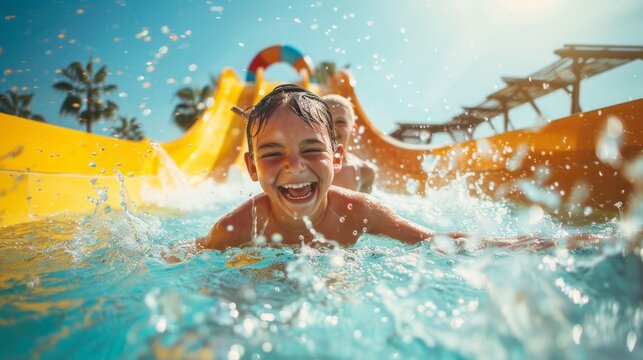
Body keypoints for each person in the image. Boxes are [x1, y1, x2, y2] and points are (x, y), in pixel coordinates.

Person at [185, 84, 572, 255]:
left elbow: (434, 240)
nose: (293, 166)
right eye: (272, 153)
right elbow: (185, 257)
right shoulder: (238, 226)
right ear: (251, 168)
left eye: (311, 149)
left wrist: (525, 243)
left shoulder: (359, 210)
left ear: (337, 159)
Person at [322, 94, 376, 193]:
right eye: (325, 121)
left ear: (353, 129)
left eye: (340, 122)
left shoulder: (365, 172)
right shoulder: (304, 164)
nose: (332, 128)